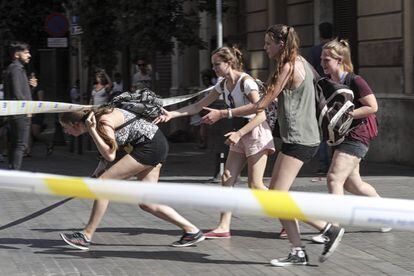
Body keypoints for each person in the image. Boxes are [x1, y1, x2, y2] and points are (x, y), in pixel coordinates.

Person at [201, 25, 344, 265]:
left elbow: (261, 106)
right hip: (298, 137)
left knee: (276, 195)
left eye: (268, 43)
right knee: (275, 195)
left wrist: (223, 113)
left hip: (300, 137)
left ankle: (326, 229)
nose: (265, 48)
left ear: (281, 44)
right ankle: (299, 248)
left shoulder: (288, 67)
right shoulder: (302, 62)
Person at [155, 46, 275, 239]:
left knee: (256, 185)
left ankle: (292, 216)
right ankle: (223, 226)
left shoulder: (247, 82)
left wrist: (239, 132)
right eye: (213, 65)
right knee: (227, 177)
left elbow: (261, 115)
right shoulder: (222, 84)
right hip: (239, 133)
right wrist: (172, 114)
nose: (214, 68)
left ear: (229, 62)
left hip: (255, 132)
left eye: (217, 64)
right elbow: (197, 105)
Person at [58, 106, 205, 250]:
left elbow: (110, 154)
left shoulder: (102, 122)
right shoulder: (97, 120)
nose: (66, 132)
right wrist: (97, 172)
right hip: (155, 143)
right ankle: (192, 231)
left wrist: (91, 131)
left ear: (76, 124)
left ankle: (86, 236)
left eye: (66, 128)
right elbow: (109, 152)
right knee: (147, 203)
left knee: (104, 184)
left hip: (149, 147)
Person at [309, 39, 391, 253]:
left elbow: (373, 107)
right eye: (321, 60)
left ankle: (333, 228)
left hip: (358, 134)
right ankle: (388, 213)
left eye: (326, 60)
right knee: (353, 185)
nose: (323, 63)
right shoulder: (327, 81)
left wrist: (347, 114)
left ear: (340, 60)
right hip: (340, 136)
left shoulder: (355, 80)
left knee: (334, 178)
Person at [4, 41, 37, 170]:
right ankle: (15, 172)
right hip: (20, 113)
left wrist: (30, 87)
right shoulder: (16, 69)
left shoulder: (14, 69)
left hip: (15, 112)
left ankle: (12, 171)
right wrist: (26, 109)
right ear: (17, 54)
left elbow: (17, 92)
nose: (29, 55)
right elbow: (17, 93)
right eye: (26, 52)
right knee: (20, 144)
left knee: (15, 144)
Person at [310, 22, 334, 176]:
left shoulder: (314, 51)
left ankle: (324, 164)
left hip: (320, 93)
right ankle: (336, 162)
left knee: (323, 128)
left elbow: (312, 72)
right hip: (337, 91)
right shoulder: (338, 50)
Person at [26, 84, 53, 157]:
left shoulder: (39, 88)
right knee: (29, 132)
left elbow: (41, 101)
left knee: (35, 133)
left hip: (37, 113)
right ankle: (28, 151)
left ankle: (49, 143)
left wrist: (36, 111)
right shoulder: (27, 87)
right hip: (29, 112)